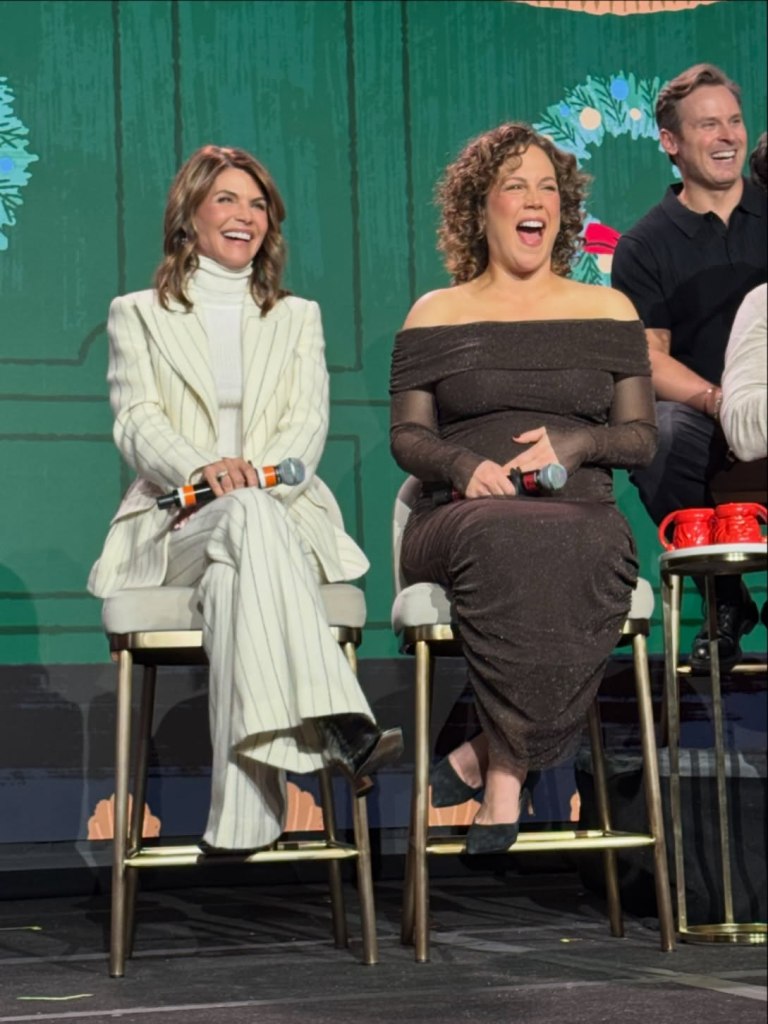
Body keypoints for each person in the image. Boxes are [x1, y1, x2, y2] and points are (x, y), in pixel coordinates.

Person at [88, 145, 402, 855]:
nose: (245, 216)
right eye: (227, 199)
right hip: (177, 523)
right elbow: (137, 421)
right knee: (241, 524)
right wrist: (204, 471)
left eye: (258, 204)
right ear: (190, 215)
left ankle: (243, 818)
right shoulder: (137, 314)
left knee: (240, 566)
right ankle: (340, 718)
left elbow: (306, 430)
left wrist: (250, 482)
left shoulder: (297, 317)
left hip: (274, 517)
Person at [389, 123, 657, 855]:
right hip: (462, 514)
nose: (535, 200)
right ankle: (505, 776)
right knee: (503, 529)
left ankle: (489, 759)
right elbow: (407, 437)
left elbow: (641, 438)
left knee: (588, 540)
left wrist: (579, 443)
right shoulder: (436, 312)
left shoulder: (608, 311)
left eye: (547, 187)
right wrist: (458, 467)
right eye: (515, 186)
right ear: (480, 209)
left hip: (578, 512)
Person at [612, 64, 767, 673]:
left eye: (734, 121)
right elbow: (646, 355)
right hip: (706, 413)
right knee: (662, 432)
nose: (727, 136)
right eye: (708, 125)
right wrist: (716, 400)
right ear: (670, 141)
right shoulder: (645, 244)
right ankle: (722, 596)